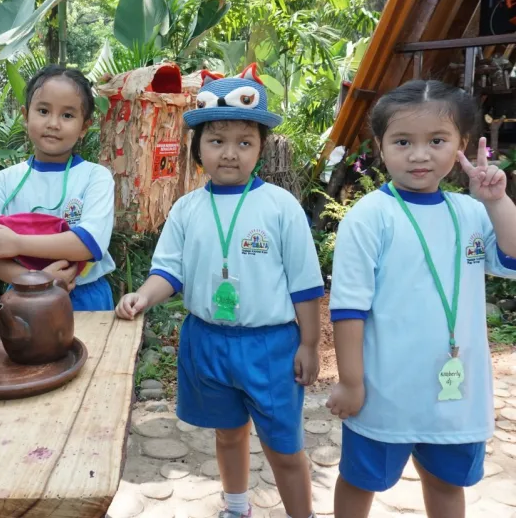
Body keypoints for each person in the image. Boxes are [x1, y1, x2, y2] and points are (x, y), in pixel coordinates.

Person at [116, 65, 324, 518]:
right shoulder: (187, 209)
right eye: (216, 141)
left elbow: (305, 284)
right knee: (228, 433)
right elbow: (168, 272)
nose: (229, 154)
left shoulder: (280, 207)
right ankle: (235, 506)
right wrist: (143, 297)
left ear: (261, 150)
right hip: (207, 341)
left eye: (244, 143)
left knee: (284, 447)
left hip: (270, 346)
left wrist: (309, 343)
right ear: (198, 149)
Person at [327, 80, 516, 518]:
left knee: (447, 483)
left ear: (461, 145)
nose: (419, 154)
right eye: (402, 141)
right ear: (380, 145)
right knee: (360, 480)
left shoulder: (470, 212)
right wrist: (352, 382)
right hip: (384, 391)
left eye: (436, 141)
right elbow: (348, 308)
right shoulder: (369, 217)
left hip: (456, 396)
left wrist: (498, 201)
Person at [0, 65, 115, 311]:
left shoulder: (96, 177)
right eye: (43, 111)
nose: (53, 123)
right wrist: (36, 281)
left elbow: (89, 243)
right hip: (23, 295)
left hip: (84, 297)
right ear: (25, 115)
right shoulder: (5, 181)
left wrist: (18, 243)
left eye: (68, 115)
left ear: (85, 126)